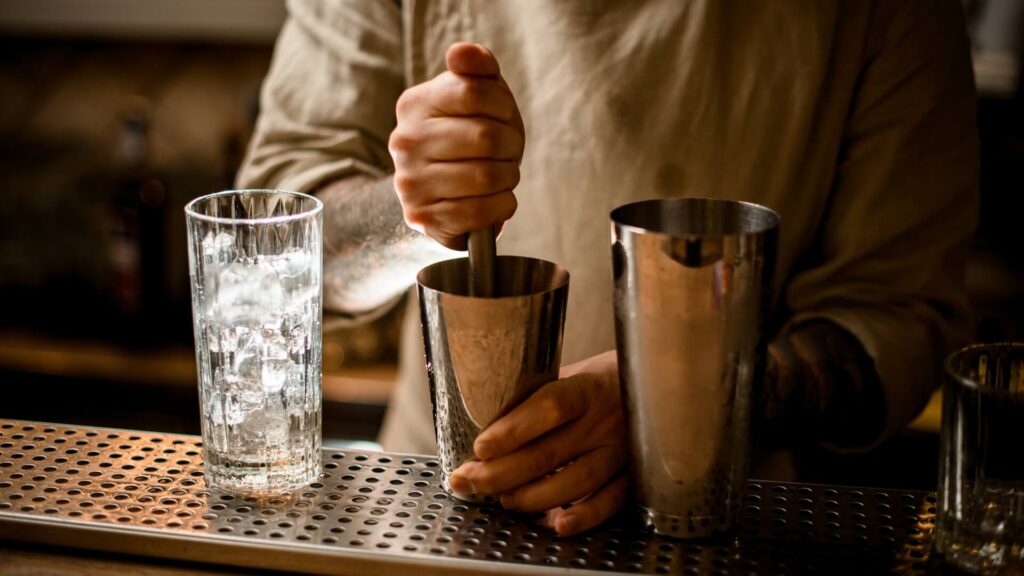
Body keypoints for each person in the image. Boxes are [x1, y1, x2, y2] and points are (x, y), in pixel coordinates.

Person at [237, 0, 979, 536]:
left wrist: (673, 406)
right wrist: (413, 215)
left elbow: (896, 318)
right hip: (434, 512)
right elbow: (271, 253)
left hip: (719, 527)